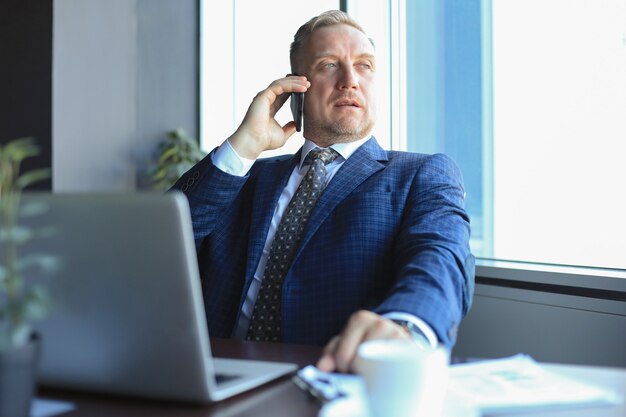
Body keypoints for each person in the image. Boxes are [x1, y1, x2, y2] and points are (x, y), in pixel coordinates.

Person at [172, 10, 474, 373]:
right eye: (329, 65)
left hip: (330, 377)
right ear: (296, 88)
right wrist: (244, 145)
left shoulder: (420, 173)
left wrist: (405, 325)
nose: (350, 80)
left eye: (365, 66)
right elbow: (161, 247)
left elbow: (441, 259)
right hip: (218, 378)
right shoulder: (244, 176)